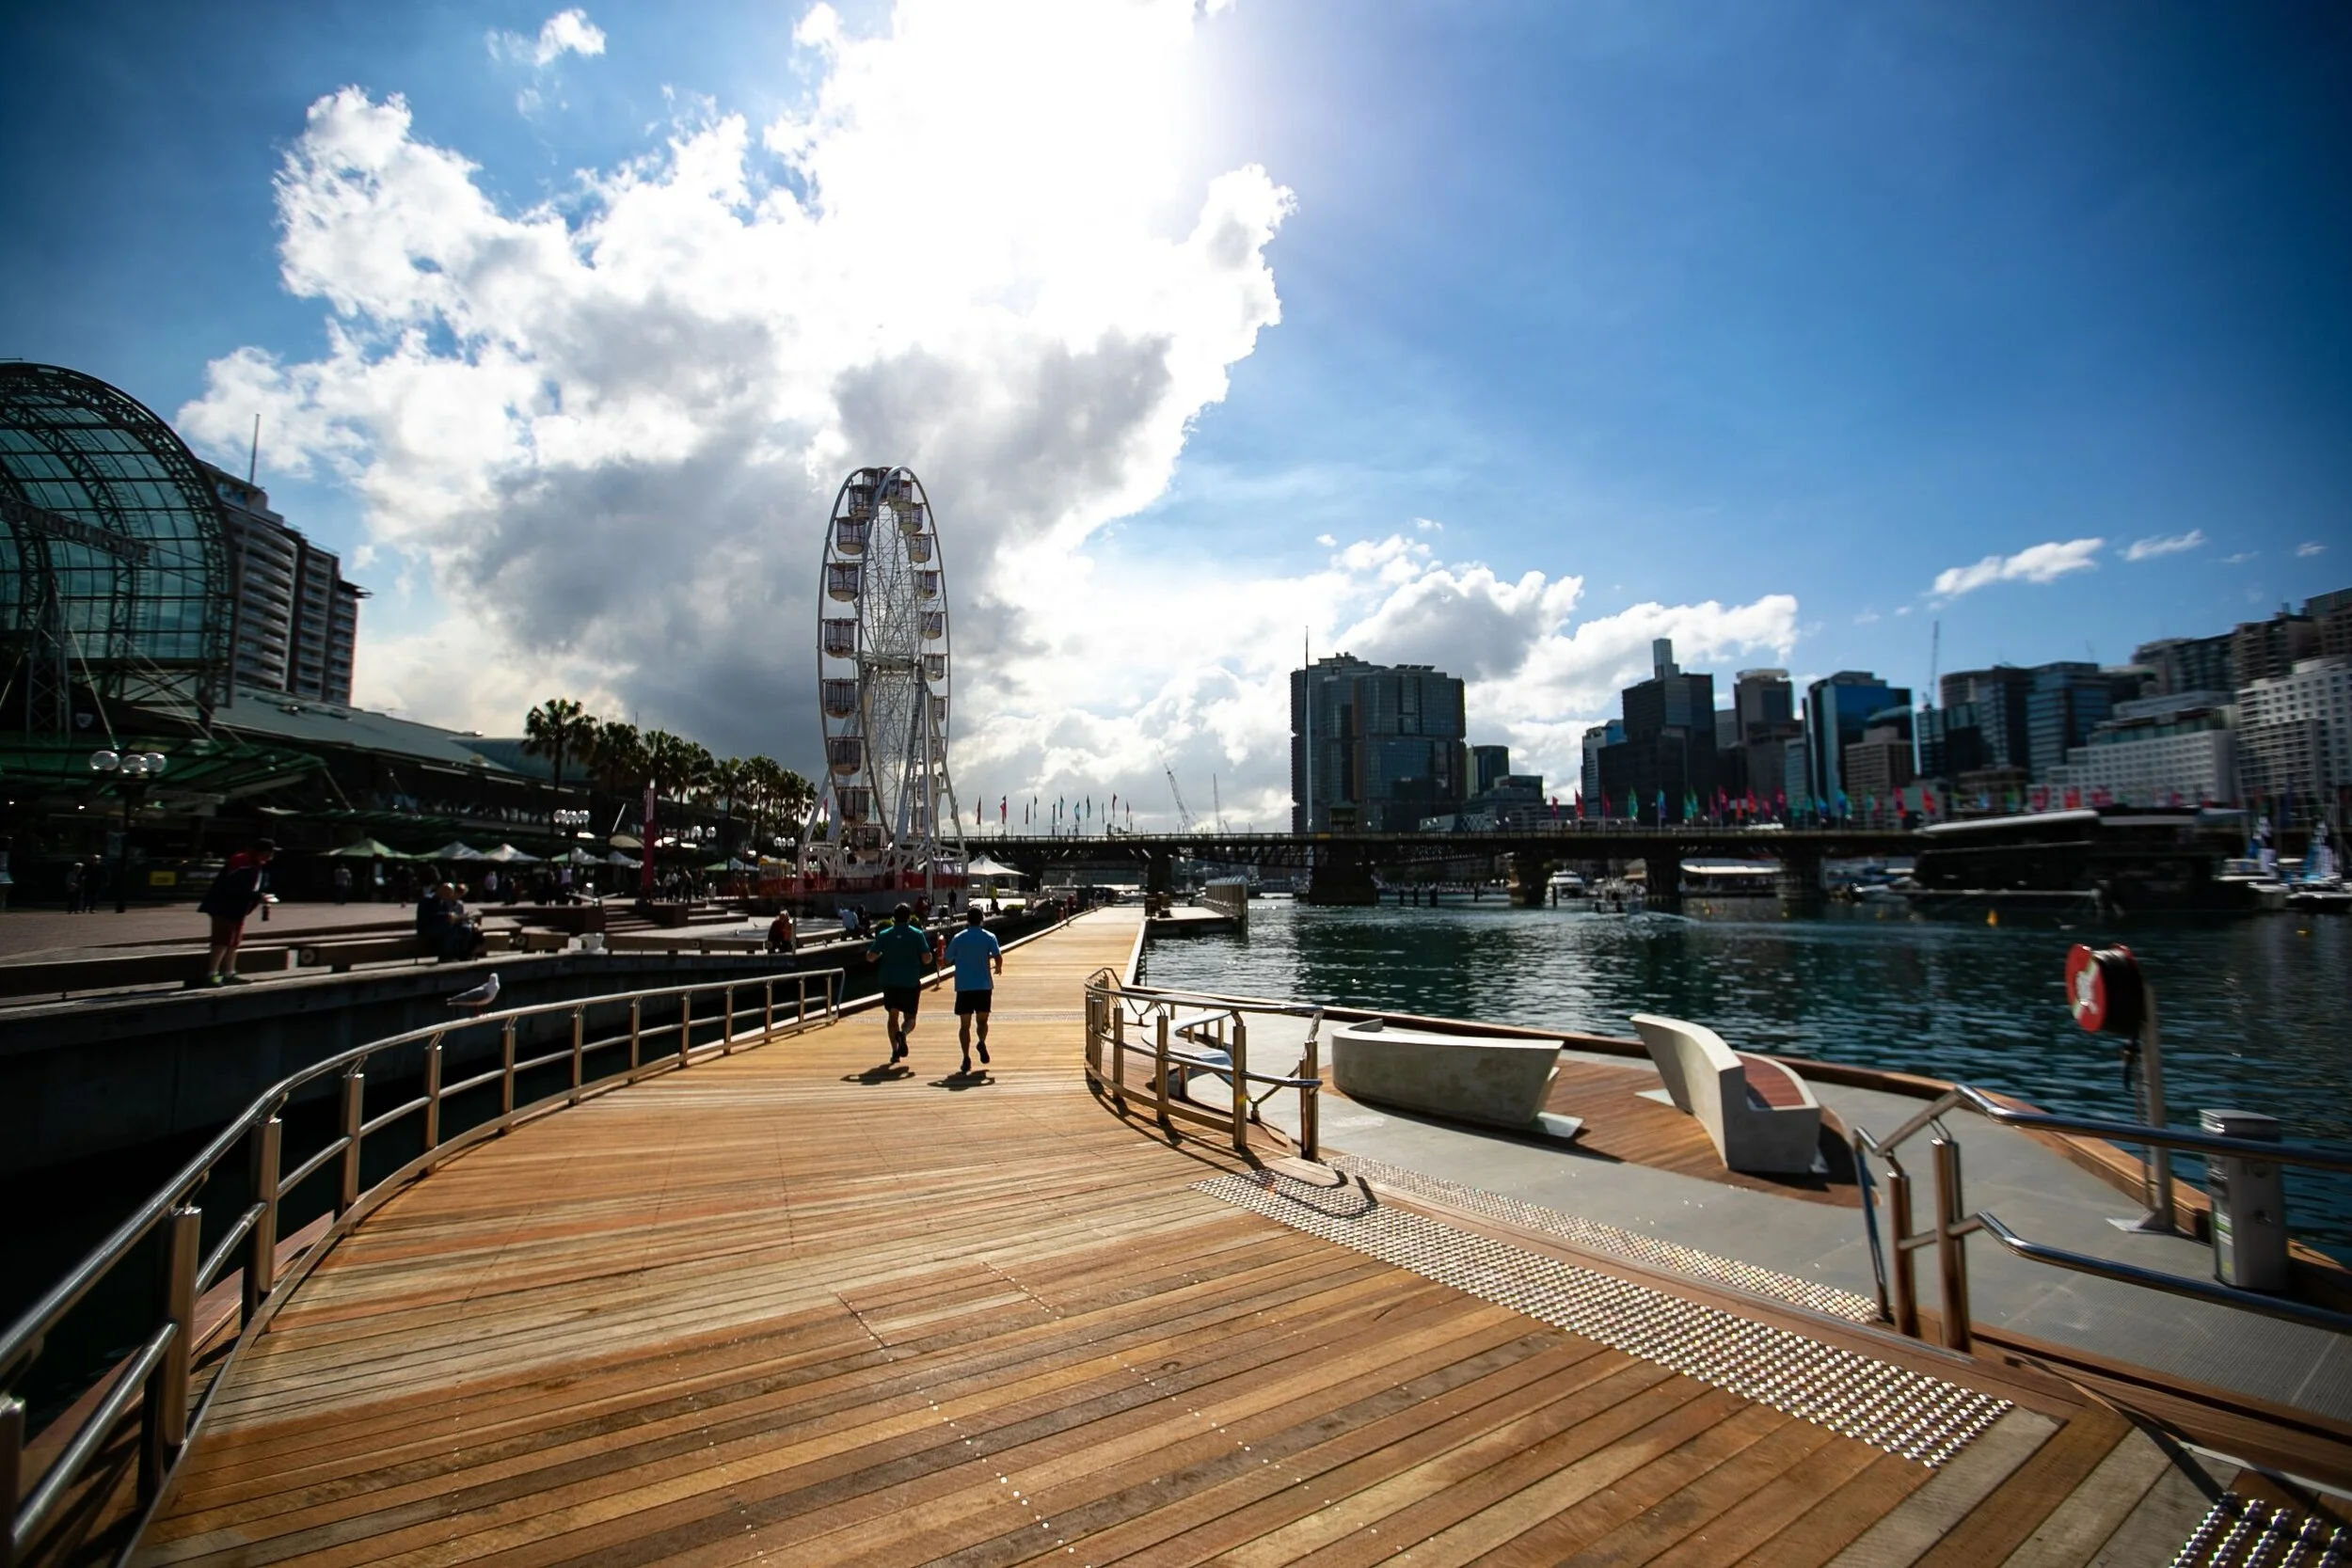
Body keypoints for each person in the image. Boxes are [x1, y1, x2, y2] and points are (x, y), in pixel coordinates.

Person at [864, 902, 933, 1064]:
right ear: (909, 917)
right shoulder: (917, 934)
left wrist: (883, 954)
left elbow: (870, 957)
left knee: (892, 1015)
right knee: (910, 1018)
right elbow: (926, 958)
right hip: (910, 981)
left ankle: (895, 1051)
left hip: (889, 981)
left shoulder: (885, 934)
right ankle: (903, 1033)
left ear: (893, 918)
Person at [199, 839, 275, 985]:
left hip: (237, 909)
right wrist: (258, 896)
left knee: (233, 942)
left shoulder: (256, 865)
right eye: (268, 852)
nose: (270, 856)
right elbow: (236, 887)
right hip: (224, 906)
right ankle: (212, 974)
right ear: (260, 852)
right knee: (221, 940)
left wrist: (259, 896)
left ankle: (229, 973)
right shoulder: (242, 862)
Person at [946, 908, 1003, 1075]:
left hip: (964, 986)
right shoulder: (989, 937)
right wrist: (998, 968)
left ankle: (965, 1058)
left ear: (967, 920)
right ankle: (982, 1041)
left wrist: (940, 959)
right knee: (982, 1022)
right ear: (982, 919)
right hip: (983, 985)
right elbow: (998, 956)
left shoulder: (958, 938)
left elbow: (947, 959)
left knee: (964, 1026)